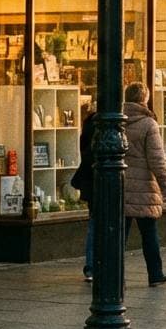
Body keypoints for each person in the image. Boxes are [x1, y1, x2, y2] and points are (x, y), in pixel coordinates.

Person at [123, 81, 166, 286]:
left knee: (119, 236)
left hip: (121, 185)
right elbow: (157, 160)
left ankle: (114, 275)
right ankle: (155, 274)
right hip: (144, 186)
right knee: (149, 234)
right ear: (145, 99)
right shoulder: (148, 124)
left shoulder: (117, 120)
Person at [68, 108, 99, 282]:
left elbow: (83, 149)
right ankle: (95, 266)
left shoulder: (89, 123)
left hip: (90, 181)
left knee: (94, 224)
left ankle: (91, 266)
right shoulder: (105, 124)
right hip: (99, 180)